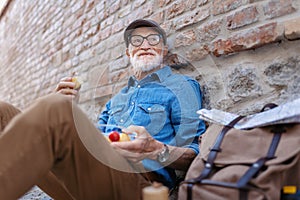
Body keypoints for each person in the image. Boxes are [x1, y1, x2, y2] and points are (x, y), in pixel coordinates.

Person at [0, 19, 205, 200]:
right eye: (136, 41)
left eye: (153, 40)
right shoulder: (116, 100)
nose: (145, 45)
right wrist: (70, 109)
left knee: (55, 109)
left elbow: (197, 154)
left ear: (164, 50)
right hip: (87, 179)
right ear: (128, 52)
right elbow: (93, 144)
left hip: (138, 186)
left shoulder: (181, 87)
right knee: (3, 110)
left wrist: (156, 150)